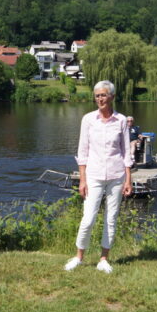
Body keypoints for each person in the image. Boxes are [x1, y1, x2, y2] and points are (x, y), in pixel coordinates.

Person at [64, 81, 133, 274]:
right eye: (97, 96)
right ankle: (79, 257)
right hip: (93, 175)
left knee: (111, 219)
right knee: (88, 218)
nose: (100, 99)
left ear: (111, 96)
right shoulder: (88, 120)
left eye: (103, 95)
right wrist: (83, 179)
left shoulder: (120, 121)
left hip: (116, 175)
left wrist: (128, 180)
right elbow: (82, 151)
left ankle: (104, 258)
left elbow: (126, 152)